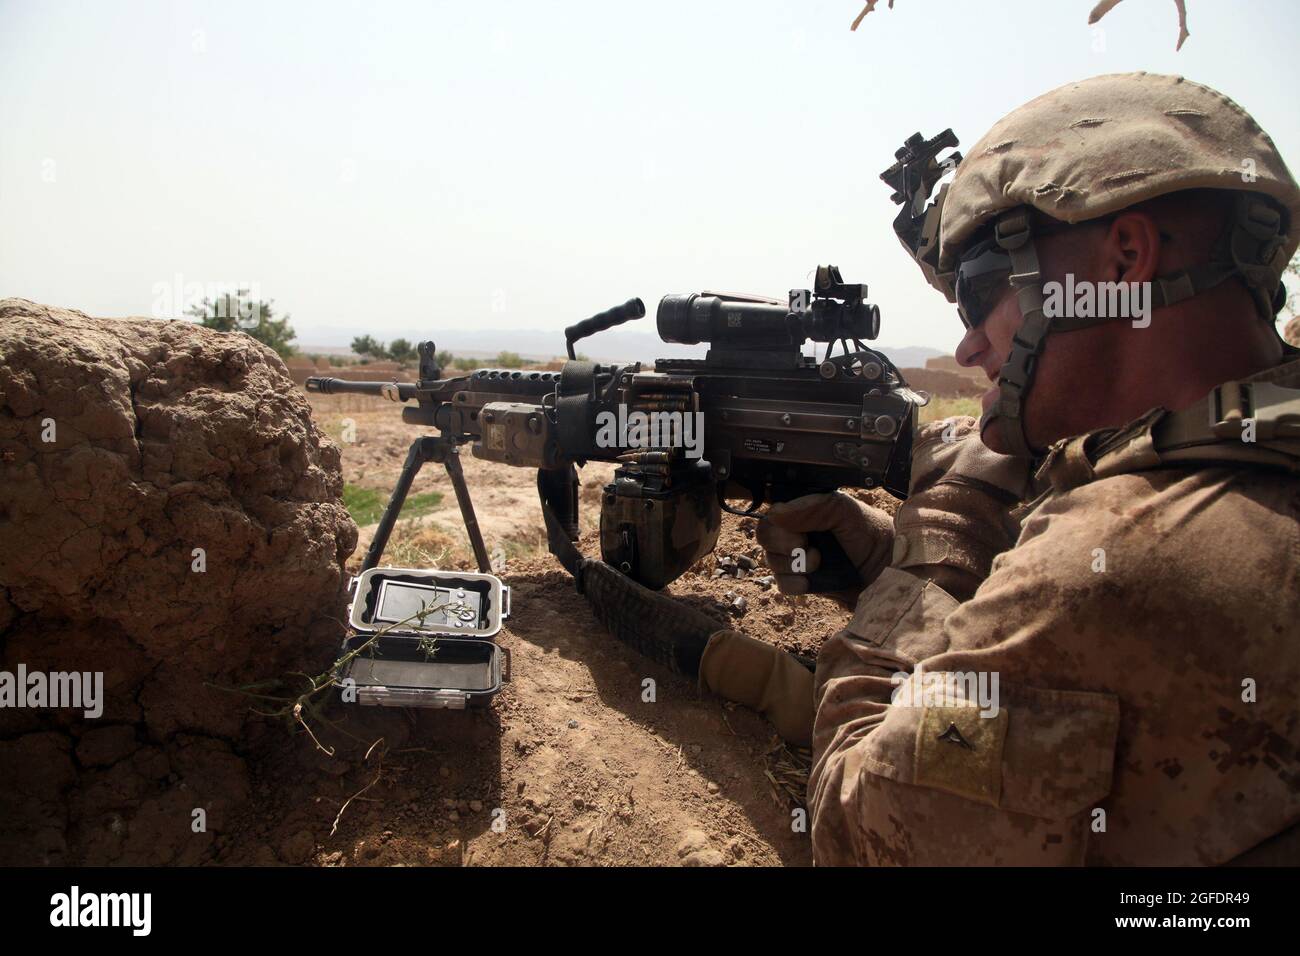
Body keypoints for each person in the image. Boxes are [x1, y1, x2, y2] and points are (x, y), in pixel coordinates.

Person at [750, 72, 1300, 865]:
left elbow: (859, 820)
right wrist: (885, 555)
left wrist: (947, 529)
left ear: (1124, 261)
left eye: (979, 295)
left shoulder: (1108, 570)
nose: (971, 346)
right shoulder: (1260, 450)